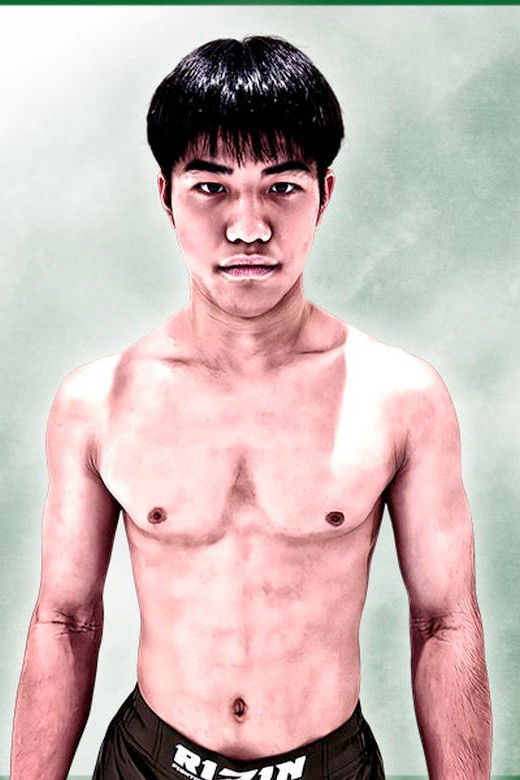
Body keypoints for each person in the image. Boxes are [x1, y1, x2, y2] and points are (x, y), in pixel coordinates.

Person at [10, 35, 492, 780]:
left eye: (282, 187)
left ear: (324, 194)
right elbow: (65, 621)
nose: (248, 227)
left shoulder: (401, 398)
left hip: (329, 765)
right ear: (166, 195)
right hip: (148, 761)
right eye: (211, 187)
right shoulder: (96, 402)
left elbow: (444, 622)